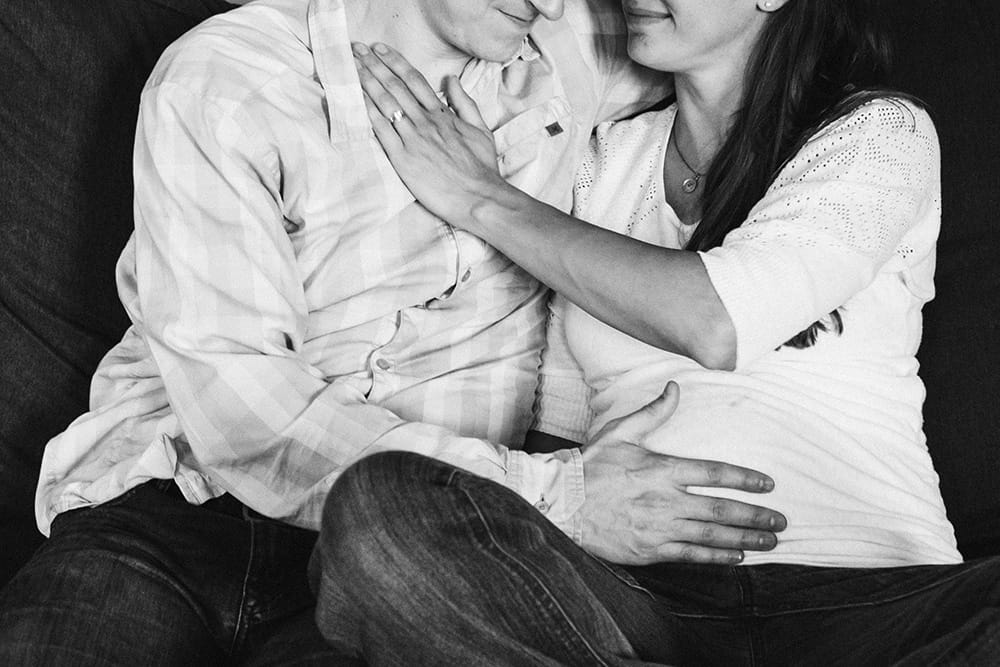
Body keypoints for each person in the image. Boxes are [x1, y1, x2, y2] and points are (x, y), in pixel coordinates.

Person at [0, 0, 793, 664]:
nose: (553, 5)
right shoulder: (229, 83)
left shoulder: (564, 52)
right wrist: (560, 499)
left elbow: (728, 34)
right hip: (170, 510)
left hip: (398, 569)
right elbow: (250, 419)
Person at [311, 0, 1000, 663]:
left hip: (876, 603)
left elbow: (718, 320)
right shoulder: (598, 162)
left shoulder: (879, 135)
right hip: (641, 605)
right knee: (378, 510)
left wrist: (480, 197)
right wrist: (568, 503)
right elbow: (559, 423)